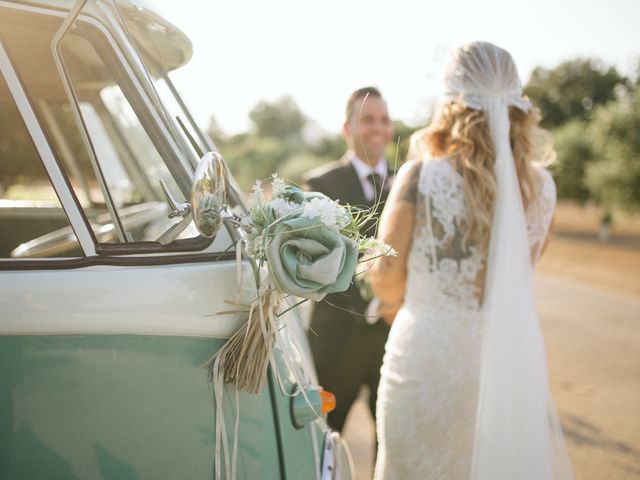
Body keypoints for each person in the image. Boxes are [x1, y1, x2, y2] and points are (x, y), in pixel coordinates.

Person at [371, 42, 574, 479]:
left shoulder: (421, 174)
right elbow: (516, 275)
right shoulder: (543, 189)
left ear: (449, 99)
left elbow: (386, 273)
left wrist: (393, 305)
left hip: (428, 358)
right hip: (507, 362)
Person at [304, 86, 394, 432]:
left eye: (384, 120)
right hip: (337, 339)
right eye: (367, 119)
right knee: (325, 436)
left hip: (391, 337)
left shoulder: (410, 183)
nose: (377, 127)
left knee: (393, 440)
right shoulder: (321, 184)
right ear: (347, 129)